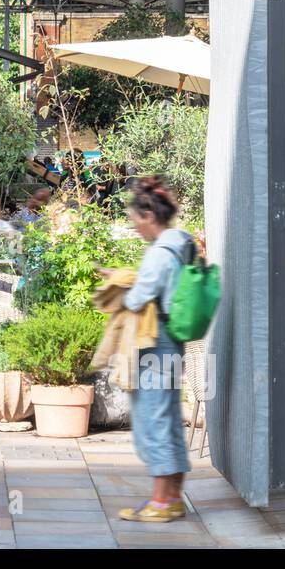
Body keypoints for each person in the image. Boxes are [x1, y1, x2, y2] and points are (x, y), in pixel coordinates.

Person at [117, 176, 196, 523]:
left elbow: (137, 299)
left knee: (155, 417)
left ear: (149, 215)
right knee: (167, 415)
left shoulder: (161, 253)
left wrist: (116, 286)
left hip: (156, 342)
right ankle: (174, 497)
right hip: (171, 341)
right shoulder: (181, 245)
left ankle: (161, 502)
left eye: (135, 220)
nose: (135, 228)